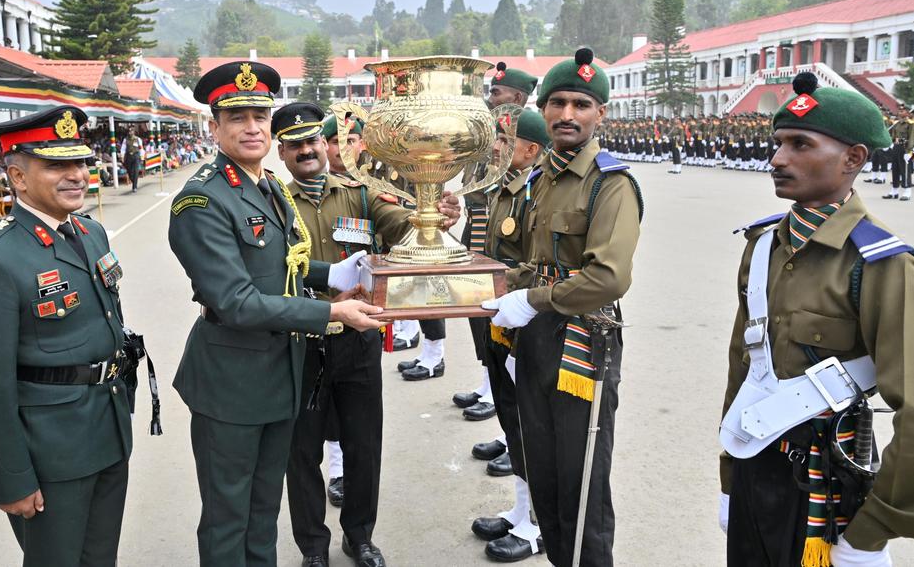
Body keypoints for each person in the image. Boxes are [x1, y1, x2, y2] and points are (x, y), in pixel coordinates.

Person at [719, 73, 914, 567]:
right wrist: (731, 480)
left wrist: (873, 531)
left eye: (800, 144)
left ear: (853, 159)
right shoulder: (763, 247)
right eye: (778, 143)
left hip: (825, 490)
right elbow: (745, 371)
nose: (777, 159)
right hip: (754, 466)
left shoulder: (882, 266)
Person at [169, 61, 383, 567]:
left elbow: (284, 263)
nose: (252, 127)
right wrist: (332, 313)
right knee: (229, 517)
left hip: (277, 373)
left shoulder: (264, 184)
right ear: (214, 127)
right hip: (232, 381)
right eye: (237, 117)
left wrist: (334, 273)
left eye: (260, 116)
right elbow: (236, 301)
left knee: (263, 510)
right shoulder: (202, 201)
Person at [0, 106, 139, 566]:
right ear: (18, 177)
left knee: (100, 558)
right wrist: (10, 477)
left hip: (107, 429)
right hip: (50, 450)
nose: (76, 176)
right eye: (55, 166)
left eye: (80, 163)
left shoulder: (90, 232)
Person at [275, 102, 460, 567]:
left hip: (357, 341)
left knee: (363, 445)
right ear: (282, 153)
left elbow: (401, 227)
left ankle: (359, 537)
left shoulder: (359, 195)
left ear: (325, 145)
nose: (306, 151)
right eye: (294, 145)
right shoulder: (273, 202)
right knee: (302, 452)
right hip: (300, 344)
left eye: (312, 141)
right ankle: (312, 547)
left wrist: (433, 215)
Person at [483, 49, 642, 567]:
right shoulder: (543, 178)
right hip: (535, 339)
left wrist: (530, 298)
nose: (567, 114)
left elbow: (607, 279)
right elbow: (532, 264)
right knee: (544, 475)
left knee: (581, 486)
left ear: (601, 114)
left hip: (581, 345)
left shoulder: (611, 183)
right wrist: (472, 284)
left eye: (581, 104)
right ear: (543, 110)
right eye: (558, 103)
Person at [468, 108, 550, 562]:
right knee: (513, 423)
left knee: (531, 428)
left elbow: (536, 266)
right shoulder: (507, 188)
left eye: (505, 141)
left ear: (531, 149)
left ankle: (537, 525)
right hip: (503, 321)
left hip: (529, 324)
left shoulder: (536, 192)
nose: (496, 148)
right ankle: (522, 510)